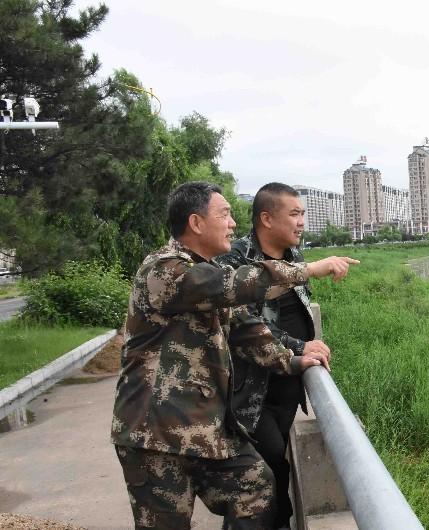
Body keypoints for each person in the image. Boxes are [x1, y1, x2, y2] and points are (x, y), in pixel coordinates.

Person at [110, 181, 355, 529]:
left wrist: (294, 360)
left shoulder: (208, 274)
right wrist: (310, 269)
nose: (232, 223)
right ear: (196, 223)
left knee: (255, 485)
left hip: (205, 428)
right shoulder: (165, 270)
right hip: (156, 435)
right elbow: (240, 283)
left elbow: (247, 330)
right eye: (224, 215)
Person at [215, 182, 358, 528]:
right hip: (249, 394)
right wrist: (298, 346)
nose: (301, 222)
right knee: (267, 474)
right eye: (294, 214)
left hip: (287, 390)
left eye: (303, 214)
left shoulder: (293, 256)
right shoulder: (234, 260)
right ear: (266, 218)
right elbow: (242, 324)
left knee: (272, 471)